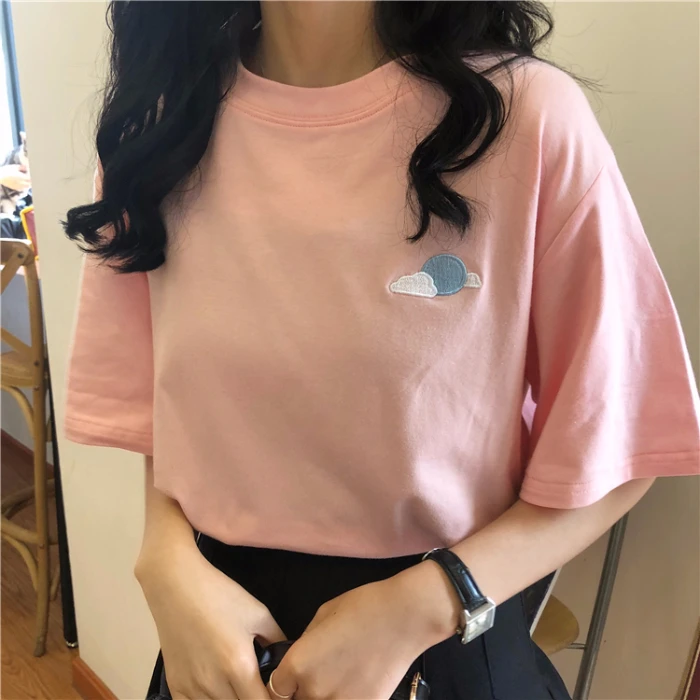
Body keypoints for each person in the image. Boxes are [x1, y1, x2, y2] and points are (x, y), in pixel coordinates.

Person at [62, 3, 700, 699]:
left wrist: (426, 604)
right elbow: (167, 411)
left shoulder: (527, 119)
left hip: (440, 640)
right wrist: (164, 558)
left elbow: (625, 444)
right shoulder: (156, 128)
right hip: (217, 649)